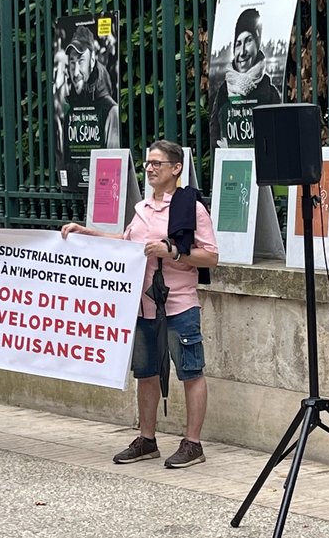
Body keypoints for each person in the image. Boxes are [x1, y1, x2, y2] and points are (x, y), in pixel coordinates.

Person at [62, 139, 218, 468]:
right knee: (145, 373)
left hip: (179, 305)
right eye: (147, 163)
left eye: (157, 163)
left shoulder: (190, 208)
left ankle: (193, 443)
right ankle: (147, 439)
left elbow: (211, 257)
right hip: (143, 306)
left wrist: (172, 251)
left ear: (176, 168)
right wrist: (87, 233)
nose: (149, 168)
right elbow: (126, 242)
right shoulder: (142, 209)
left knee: (190, 372)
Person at [208, 7, 282, 148]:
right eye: (238, 44)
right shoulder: (224, 91)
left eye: (248, 41)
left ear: (257, 43)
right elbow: (215, 133)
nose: (242, 52)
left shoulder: (270, 92)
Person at [63, 25, 120, 152]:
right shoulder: (69, 111)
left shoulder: (111, 111)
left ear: (92, 61)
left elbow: (113, 164)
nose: (76, 72)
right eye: (72, 62)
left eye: (81, 61)